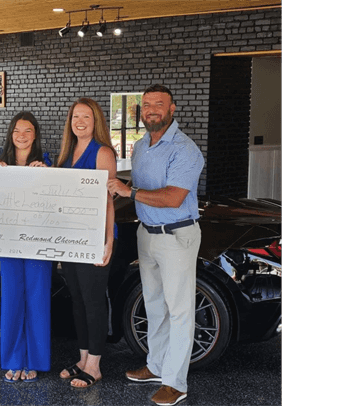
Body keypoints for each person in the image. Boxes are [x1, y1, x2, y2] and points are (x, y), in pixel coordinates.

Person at [106, 85, 204, 406]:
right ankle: (156, 365)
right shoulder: (141, 146)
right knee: (154, 305)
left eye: (158, 105)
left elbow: (174, 197)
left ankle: (176, 383)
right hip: (147, 233)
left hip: (176, 235)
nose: (151, 110)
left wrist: (128, 192)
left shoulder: (185, 149)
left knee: (179, 311)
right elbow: (139, 186)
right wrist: (112, 188)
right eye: (146, 105)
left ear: (172, 108)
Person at [54, 97, 117, 389]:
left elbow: (107, 200)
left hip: (94, 237)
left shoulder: (103, 152)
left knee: (93, 301)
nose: (80, 121)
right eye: (75, 117)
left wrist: (108, 241)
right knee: (77, 300)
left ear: (96, 122)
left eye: (86, 117)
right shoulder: (66, 153)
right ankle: (82, 359)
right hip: (70, 237)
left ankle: (95, 364)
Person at [0, 112, 52, 383]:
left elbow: (56, 198)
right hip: (9, 241)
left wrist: (48, 176)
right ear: (11, 133)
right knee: (12, 299)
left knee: (38, 300)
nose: (22, 135)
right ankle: (15, 359)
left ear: (35, 134)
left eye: (28, 130)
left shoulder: (46, 162)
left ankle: (35, 361)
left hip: (39, 242)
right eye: (17, 130)